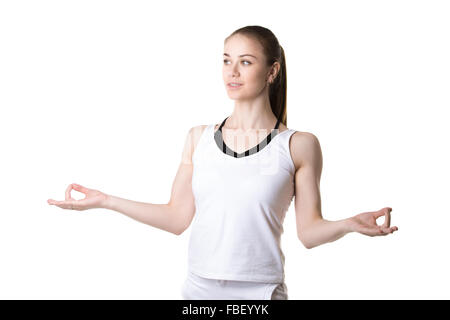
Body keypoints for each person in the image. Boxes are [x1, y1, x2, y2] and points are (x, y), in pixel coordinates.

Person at [47, 25, 398, 300]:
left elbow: (308, 233)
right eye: (227, 59)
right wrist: (106, 201)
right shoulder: (197, 138)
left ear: (272, 71)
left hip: (260, 291)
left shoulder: (298, 145)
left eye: (246, 61)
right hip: (199, 288)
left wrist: (350, 224)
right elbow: (176, 218)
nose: (232, 71)